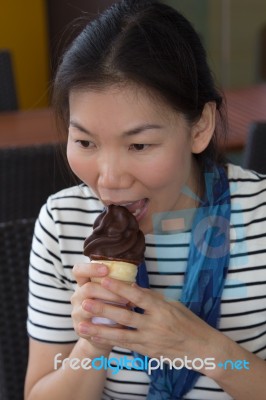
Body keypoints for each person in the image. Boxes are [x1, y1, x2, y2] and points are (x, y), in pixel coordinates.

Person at [24, 1, 266, 399]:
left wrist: (201, 347)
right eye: (85, 141)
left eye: (138, 144)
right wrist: (93, 343)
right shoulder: (63, 222)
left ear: (200, 127)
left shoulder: (258, 216)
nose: (108, 178)